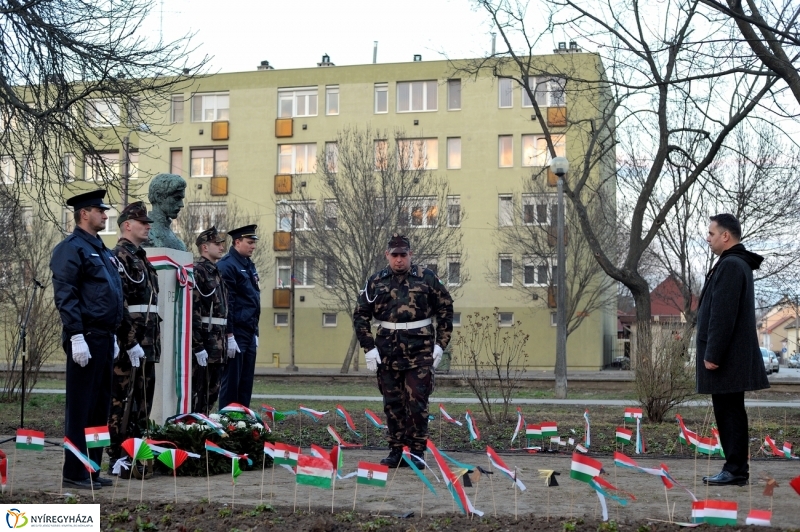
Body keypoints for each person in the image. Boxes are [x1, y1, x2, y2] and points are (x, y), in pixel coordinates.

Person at [353, 234, 453, 468]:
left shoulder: (427, 278)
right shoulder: (376, 281)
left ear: (410, 255)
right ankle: (396, 450)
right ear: (387, 255)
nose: (399, 260)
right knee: (393, 402)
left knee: (418, 400)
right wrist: (368, 348)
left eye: (403, 255)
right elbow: (360, 315)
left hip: (421, 349)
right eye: (395, 255)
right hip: (387, 351)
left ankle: (417, 451)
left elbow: (446, 310)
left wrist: (441, 345)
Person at [51, 189, 123, 490]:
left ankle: (92, 468)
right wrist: (77, 334)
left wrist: (115, 334)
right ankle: (75, 472)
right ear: (84, 213)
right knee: (81, 407)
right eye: (100, 211)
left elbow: (111, 294)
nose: (105, 216)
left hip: (104, 337)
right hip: (86, 337)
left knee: (99, 409)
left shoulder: (102, 250)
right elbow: (65, 294)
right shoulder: (71, 248)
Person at [697, 213, 769, 486]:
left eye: (711, 233)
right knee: (731, 411)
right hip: (730, 357)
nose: (708, 238)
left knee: (729, 413)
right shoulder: (735, 264)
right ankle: (735, 468)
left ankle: (735, 470)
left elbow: (723, 315)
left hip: (725, 358)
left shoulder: (730, 266)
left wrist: (713, 354)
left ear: (725, 236)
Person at [107, 202, 161, 476]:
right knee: (121, 403)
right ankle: (117, 457)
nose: (148, 226)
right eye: (143, 222)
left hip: (148, 343)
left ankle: (136, 455)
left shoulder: (141, 258)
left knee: (142, 405)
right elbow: (120, 304)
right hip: (130, 344)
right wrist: (129, 342)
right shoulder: (118, 257)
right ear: (127, 225)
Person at [218, 224, 260, 408]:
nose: (253, 246)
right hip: (236, 332)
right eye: (249, 242)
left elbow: (253, 300)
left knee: (245, 382)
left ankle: (243, 422)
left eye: (254, 243)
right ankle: (227, 421)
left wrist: (255, 331)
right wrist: (229, 335)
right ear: (237, 242)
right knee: (232, 382)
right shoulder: (228, 266)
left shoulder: (248, 265)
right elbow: (228, 304)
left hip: (249, 331)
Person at [191, 226, 229, 414]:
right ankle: (193, 430)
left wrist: (228, 337)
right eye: (217, 243)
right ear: (205, 247)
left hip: (218, 344)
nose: (221, 247)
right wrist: (197, 345)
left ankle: (203, 429)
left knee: (212, 393)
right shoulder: (199, 271)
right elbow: (195, 310)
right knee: (200, 393)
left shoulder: (216, 272)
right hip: (206, 342)